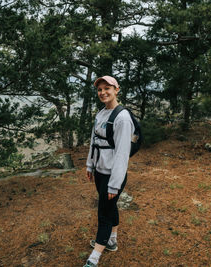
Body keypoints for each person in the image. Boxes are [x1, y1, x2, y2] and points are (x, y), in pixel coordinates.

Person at [83, 76, 134, 267]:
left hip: (113, 175)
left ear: (117, 89)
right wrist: (90, 165)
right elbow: (93, 141)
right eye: (100, 89)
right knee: (110, 207)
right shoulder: (101, 114)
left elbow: (122, 154)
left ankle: (94, 257)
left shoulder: (122, 118)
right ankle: (112, 241)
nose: (103, 92)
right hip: (100, 172)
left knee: (103, 213)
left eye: (107, 88)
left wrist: (114, 183)